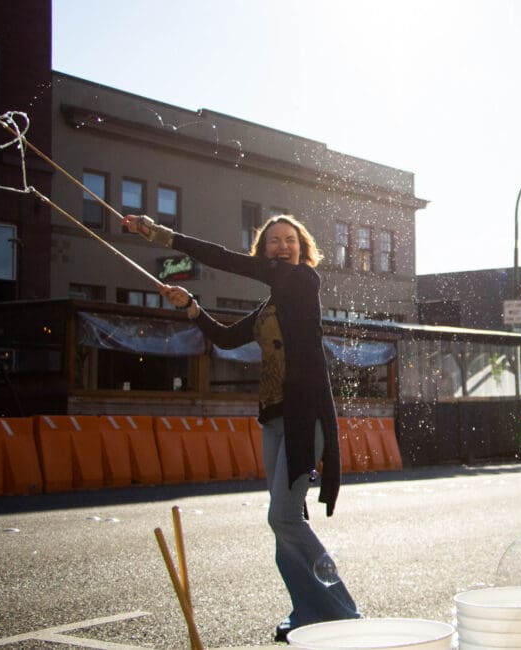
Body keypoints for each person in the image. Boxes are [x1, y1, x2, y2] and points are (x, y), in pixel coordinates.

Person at [122, 213, 360, 641]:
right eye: (273, 242)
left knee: (284, 517)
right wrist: (192, 308)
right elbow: (228, 339)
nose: (282, 246)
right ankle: (307, 612)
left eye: (289, 240)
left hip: (306, 418)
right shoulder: (271, 305)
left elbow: (223, 258)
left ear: (302, 249)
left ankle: (342, 612)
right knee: (282, 521)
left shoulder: (304, 282)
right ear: (264, 250)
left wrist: (161, 234)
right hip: (273, 419)